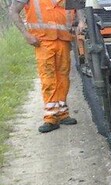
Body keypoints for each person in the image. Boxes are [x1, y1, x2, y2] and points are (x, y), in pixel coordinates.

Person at [8, 0, 86, 133]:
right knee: (48, 78)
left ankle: (62, 113)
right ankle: (50, 117)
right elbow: (13, 11)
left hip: (63, 39)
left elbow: (79, 8)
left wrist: (82, 21)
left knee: (63, 77)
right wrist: (26, 35)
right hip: (43, 41)